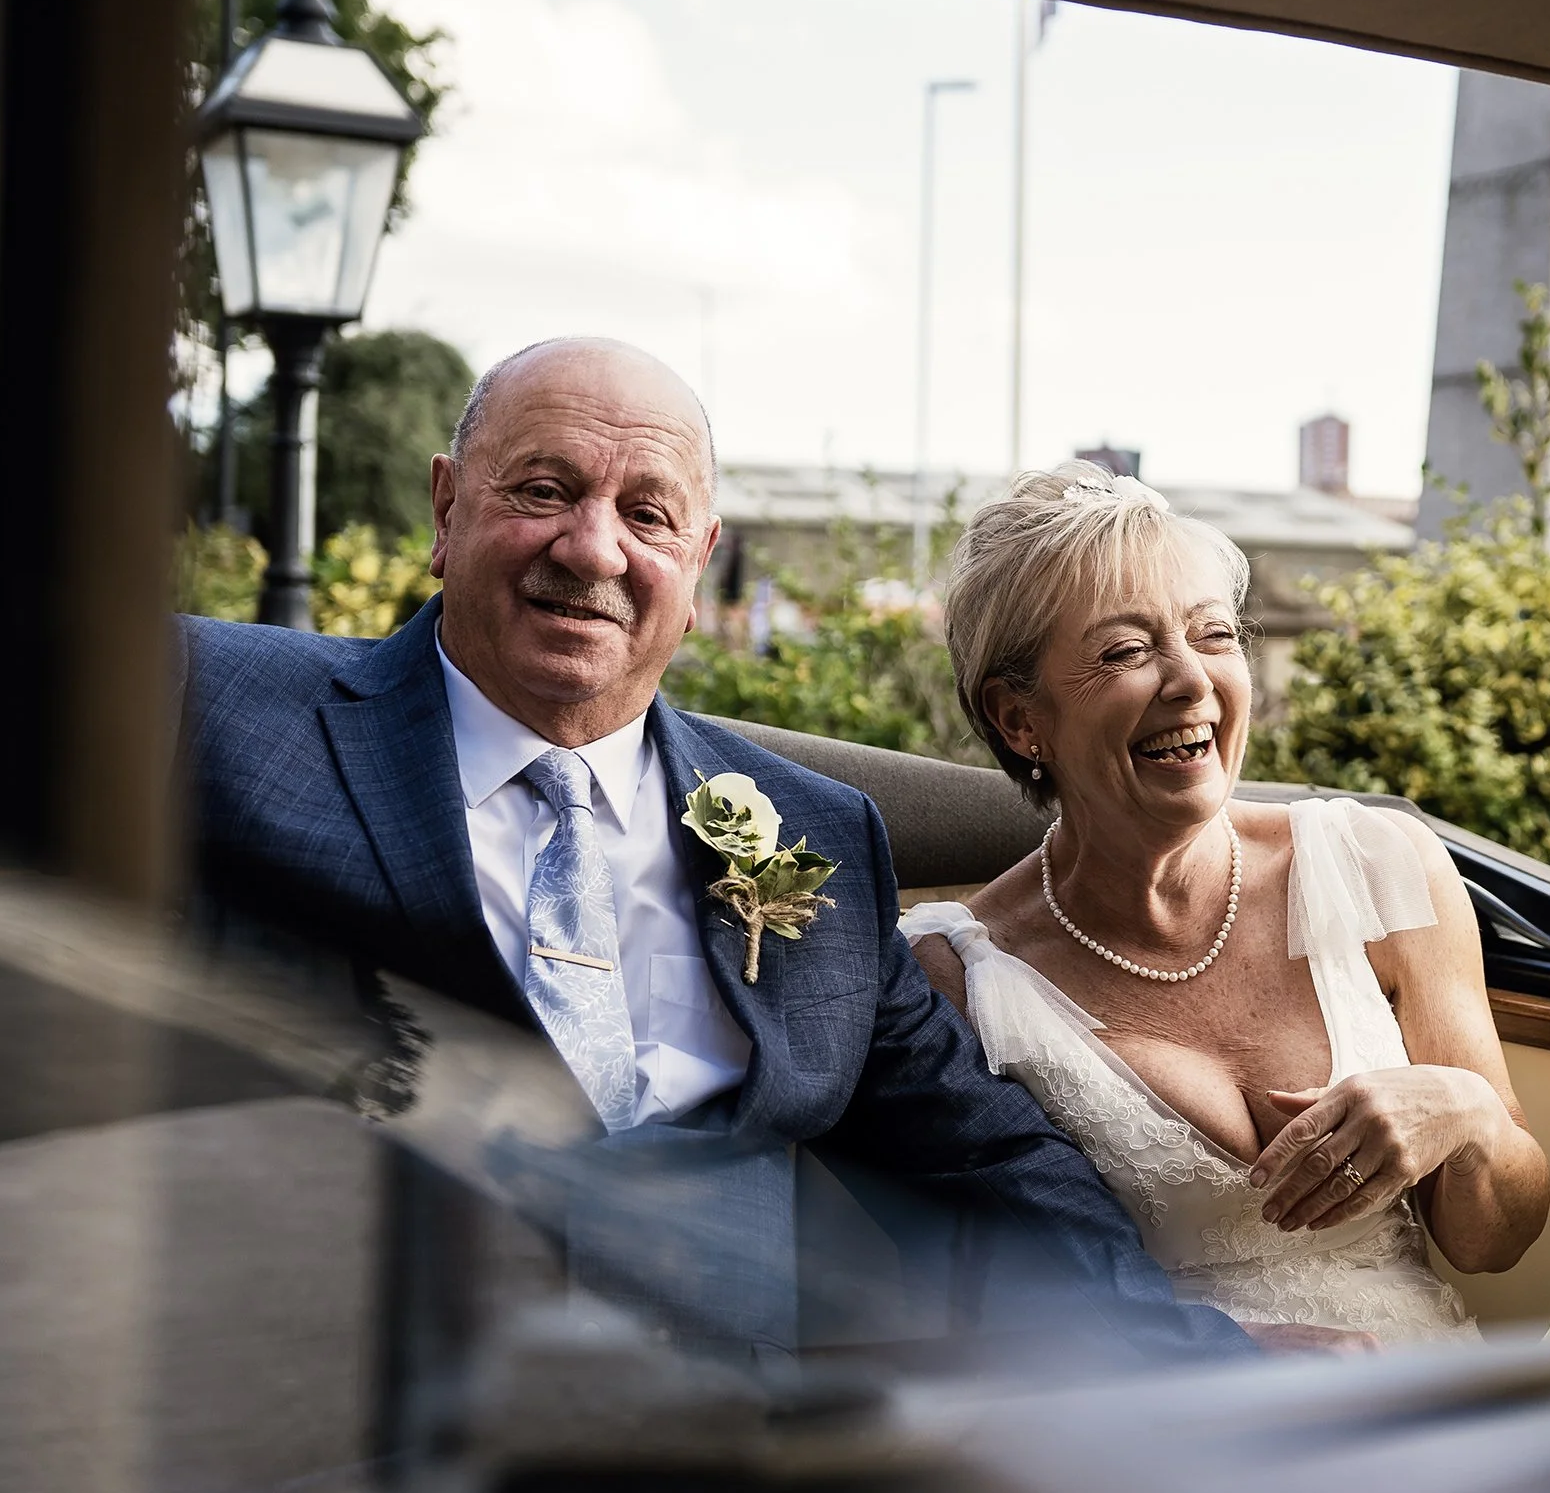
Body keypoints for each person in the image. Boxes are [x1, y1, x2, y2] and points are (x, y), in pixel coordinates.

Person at [179, 338, 1247, 1365]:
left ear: (698, 562)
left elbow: (990, 1160)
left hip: (703, 1459)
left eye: (648, 515)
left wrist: (1220, 1371)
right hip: (320, 1425)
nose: (593, 548)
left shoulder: (807, 833)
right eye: (543, 492)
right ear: (448, 507)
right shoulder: (218, 709)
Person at [904, 464, 1550, 1348]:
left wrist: (1463, 1111)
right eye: (1127, 651)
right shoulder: (959, 978)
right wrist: (1221, 1354)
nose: (1190, 681)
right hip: (1166, 1431)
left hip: (1420, 1398)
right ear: (1021, 721)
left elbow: (1495, 1242)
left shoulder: (1378, 867)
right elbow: (978, 1309)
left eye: (1213, 635)